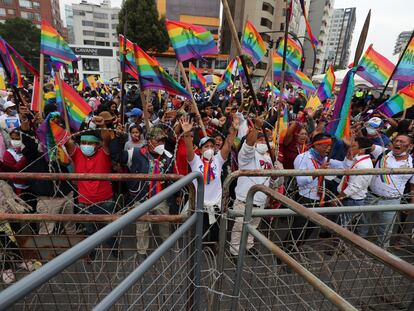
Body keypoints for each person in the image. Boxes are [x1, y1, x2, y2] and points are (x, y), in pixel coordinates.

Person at [110, 126, 173, 259]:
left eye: (163, 141)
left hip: (161, 197)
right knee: (142, 227)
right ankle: (142, 251)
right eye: (158, 141)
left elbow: (172, 177)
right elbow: (117, 157)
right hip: (142, 198)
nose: (161, 144)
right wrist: (118, 139)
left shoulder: (168, 156)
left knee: (164, 223)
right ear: (149, 141)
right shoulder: (136, 153)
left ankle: (166, 243)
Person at [181, 114, 239, 245]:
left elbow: (227, 146)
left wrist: (234, 131)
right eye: (206, 146)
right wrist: (187, 133)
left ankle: (214, 253)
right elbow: (189, 150)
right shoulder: (195, 161)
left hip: (216, 206)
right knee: (199, 236)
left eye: (211, 146)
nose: (209, 149)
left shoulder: (218, 160)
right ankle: (198, 257)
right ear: (200, 150)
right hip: (199, 206)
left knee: (216, 236)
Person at [230, 117, 276, 257]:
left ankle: (249, 246)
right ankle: (235, 250)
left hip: (261, 199)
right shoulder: (247, 155)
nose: (263, 143)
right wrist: (256, 128)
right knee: (239, 226)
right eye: (260, 140)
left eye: (265, 141)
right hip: (245, 198)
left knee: (254, 226)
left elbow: (273, 178)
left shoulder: (268, 157)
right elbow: (248, 145)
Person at [367, 134, 414, 248]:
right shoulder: (383, 153)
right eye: (396, 141)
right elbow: (368, 144)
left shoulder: (412, 164)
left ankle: (381, 254)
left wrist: (411, 203)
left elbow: (413, 186)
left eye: (402, 142)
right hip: (370, 196)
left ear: (410, 146)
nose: (397, 143)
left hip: (391, 201)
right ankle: (354, 246)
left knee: (385, 230)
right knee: (362, 224)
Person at [336, 137, 374, 227]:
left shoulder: (364, 165)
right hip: (348, 198)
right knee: (342, 224)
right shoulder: (358, 160)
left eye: (353, 146)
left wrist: (338, 198)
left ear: (361, 150)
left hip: (352, 200)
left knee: (344, 227)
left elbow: (354, 187)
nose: (350, 147)